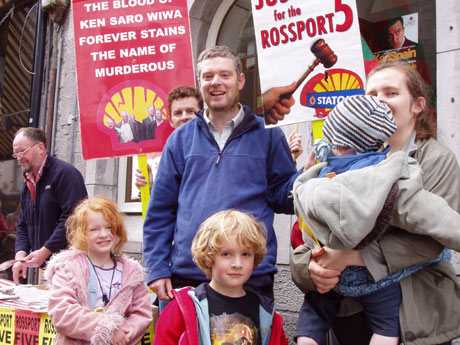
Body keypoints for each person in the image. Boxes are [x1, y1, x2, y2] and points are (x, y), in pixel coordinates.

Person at [290, 62, 460, 345]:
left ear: (417, 105)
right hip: (347, 313)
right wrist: (308, 267)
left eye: (391, 92)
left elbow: (433, 239)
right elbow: (307, 231)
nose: (379, 100)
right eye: (371, 94)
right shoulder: (332, 162)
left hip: (416, 314)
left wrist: (351, 257)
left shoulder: (434, 159)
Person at [143, 45, 298, 303]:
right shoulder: (179, 140)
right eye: (208, 76)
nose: (215, 82)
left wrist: (309, 180)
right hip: (189, 275)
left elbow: (283, 196)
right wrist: (157, 268)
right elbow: (161, 210)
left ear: (240, 80)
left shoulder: (269, 134)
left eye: (224, 75)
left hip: (250, 275)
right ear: (200, 83)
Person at [154, 209, 288, 345]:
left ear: (255, 257)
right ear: (208, 257)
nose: (237, 264)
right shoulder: (182, 308)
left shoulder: (267, 314)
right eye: (226, 254)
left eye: (246, 254)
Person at [45, 197, 152, 345]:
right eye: (94, 229)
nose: (104, 234)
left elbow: (142, 313)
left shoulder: (132, 272)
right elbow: (62, 312)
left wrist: (125, 333)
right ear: (82, 233)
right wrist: (106, 330)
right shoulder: (68, 268)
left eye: (109, 227)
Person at [12, 127, 88, 284]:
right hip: (46, 268)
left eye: (22, 151)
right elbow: (22, 223)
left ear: (40, 148)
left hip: (71, 266)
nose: (18, 157)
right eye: (15, 153)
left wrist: (46, 250)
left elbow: (73, 218)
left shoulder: (66, 174)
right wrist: (20, 256)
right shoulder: (28, 182)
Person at [135, 86, 203, 188]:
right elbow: (162, 199)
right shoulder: (162, 159)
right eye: (178, 113)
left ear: (202, 115)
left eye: (190, 111)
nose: (184, 117)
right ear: (171, 121)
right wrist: (149, 186)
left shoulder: (217, 149)